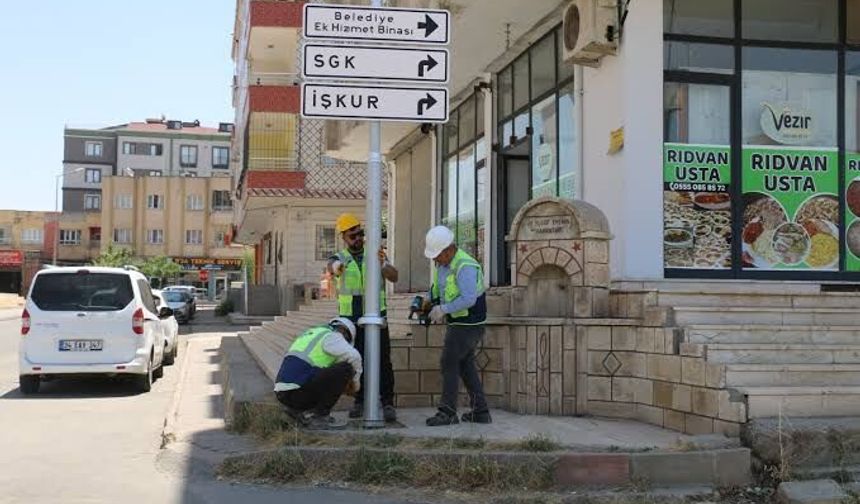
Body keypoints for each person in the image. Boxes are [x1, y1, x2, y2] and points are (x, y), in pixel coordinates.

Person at [327, 213, 399, 422]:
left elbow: (395, 276)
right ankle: (359, 401)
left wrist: (384, 265)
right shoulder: (340, 257)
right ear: (344, 237)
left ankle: (387, 403)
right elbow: (332, 267)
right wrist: (336, 268)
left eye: (360, 233)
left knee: (383, 362)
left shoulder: (376, 253)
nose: (358, 238)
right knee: (356, 362)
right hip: (351, 319)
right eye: (352, 236)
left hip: (376, 315)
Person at [422, 225, 491, 426]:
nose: (435, 259)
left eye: (437, 255)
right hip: (458, 322)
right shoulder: (443, 266)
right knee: (465, 365)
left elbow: (469, 298)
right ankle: (481, 411)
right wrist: (427, 301)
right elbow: (438, 290)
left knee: (449, 362)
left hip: (469, 324)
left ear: (449, 249)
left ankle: (448, 412)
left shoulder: (465, 265)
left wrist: (442, 310)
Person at [274, 317, 362, 430]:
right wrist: (356, 384)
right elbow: (355, 357)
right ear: (345, 333)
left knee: (329, 371)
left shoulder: (312, 334)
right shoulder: (332, 336)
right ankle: (319, 416)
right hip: (297, 392)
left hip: (284, 394)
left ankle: (296, 412)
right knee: (345, 368)